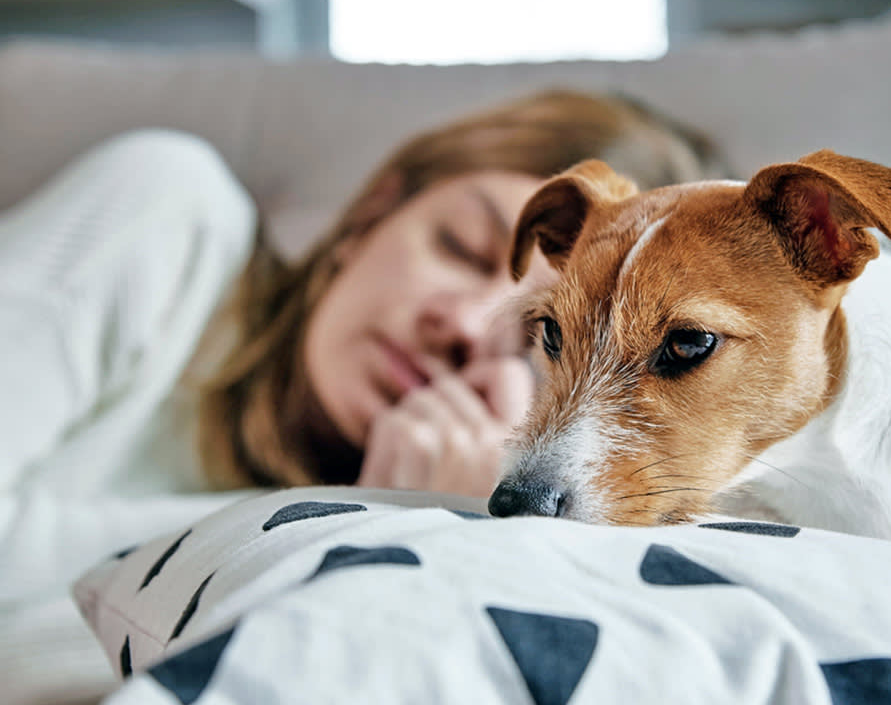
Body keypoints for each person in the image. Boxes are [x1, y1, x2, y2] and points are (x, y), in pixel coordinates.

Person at [0, 89, 724, 501]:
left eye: (542, 338)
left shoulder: (468, 510)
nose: (468, 327)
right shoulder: (171, 219)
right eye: (462, 248)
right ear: (370, 217)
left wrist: (404, 524)